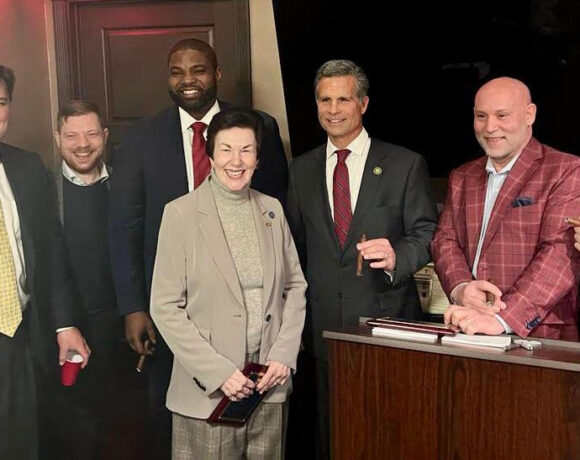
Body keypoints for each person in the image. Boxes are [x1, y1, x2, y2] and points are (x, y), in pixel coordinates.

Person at [108, 38, 288, 458]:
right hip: (170, 306)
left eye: (198, 70)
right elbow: (124, 228)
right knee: (173, 416)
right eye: (177, 71)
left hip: (248, 307)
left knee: (252, 420)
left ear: (218, 74)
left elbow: (279, 218)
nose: (187, 80)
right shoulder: (140, 139)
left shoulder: (260, 127)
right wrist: (134, 307)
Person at [285, 59, 438, 459]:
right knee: (329, 435)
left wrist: (395, 257)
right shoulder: (300, 169)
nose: (333, 109)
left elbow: (427, 234)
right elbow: (294, 249)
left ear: (363, 104)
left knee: (388, 432)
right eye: (324, 99)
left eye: (343, 99)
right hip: (322, 331)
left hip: (386, 323)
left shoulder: (405, 164)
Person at [150, 107, 306, 459]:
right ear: (210, 153)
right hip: (209, 389)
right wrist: (219, 372)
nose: (236, 161)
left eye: (246, 150)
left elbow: (295, 286)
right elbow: (164, 306)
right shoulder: (180, 214)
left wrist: (282, 356)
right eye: (226, 149)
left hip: (268, 381)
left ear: (258, 158)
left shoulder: (272, 211)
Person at [432, 77, 580, 340]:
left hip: (540, 334)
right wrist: (461, 288)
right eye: (481, 116)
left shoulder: (566, 170)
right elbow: (445, 241)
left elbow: (559, 252)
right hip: (468, 327)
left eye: (502, 115)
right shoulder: (462, 176)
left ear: (529, 114)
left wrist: (503, 318)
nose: (490, 127)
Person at [0, 64, 90, 459]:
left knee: (26, 445)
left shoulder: (25, 167)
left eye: (0, 101)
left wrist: (65, 323)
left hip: (23, 336)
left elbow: (50, 253)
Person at [50, 99, 119, 459]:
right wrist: (64, 324)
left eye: (92, 133)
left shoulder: (123, 181)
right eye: (72, 135)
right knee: (79, 424)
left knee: (127, 418)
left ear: (105, 136)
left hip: (123, 325)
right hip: (68, 329)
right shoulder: (44, 191)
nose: (82, 144)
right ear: (57, 137)